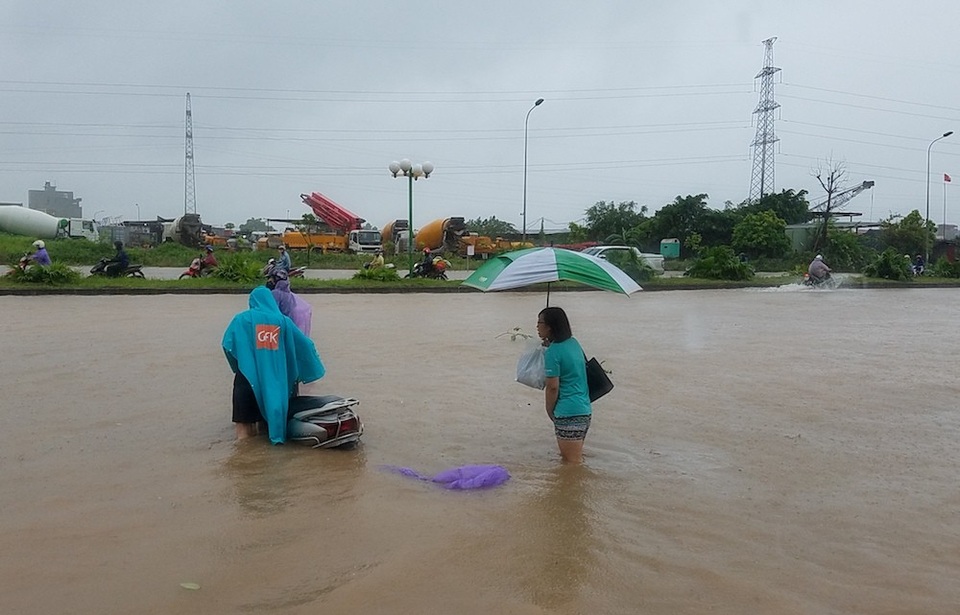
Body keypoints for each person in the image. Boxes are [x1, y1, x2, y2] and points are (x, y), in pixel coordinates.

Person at [222, 286, 325, 442]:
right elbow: (305, 345)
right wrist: (310, 371)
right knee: (268, 425)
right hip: (277, 382)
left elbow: (227, 345)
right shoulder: (283, 321)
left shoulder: (241, 319)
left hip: (246, 380)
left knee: (243, 435)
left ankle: (244, 463)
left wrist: (237, 366)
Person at [536, 306, 592, 464]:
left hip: (567, 412)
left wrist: (549, 410)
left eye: (540, 322)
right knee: (572, 460)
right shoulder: (574, 343)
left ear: (550, 326)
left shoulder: (553, 352)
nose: (537, 327)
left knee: (572, 465)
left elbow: (552, 387)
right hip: (584, 410)